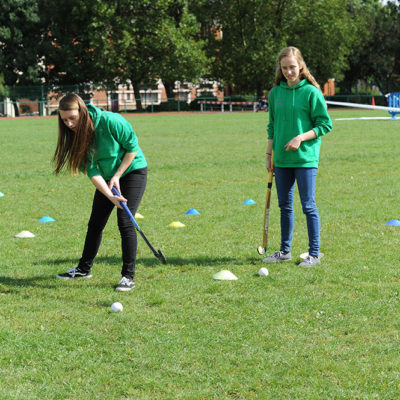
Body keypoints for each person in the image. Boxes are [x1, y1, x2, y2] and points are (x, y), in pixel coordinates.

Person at [53, 93, 147, 291]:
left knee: (124, 222)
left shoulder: (111, 121)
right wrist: (110, 195)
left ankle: (128, 276)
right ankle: (83, 269)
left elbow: (132, 147)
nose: (69, 124)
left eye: (72, 118)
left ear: (83, 112)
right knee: (95, 223)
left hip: (131, 171)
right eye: (64, 120)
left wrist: (118, 175)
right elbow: (92, 171)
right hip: (105, 176)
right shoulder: (75, 136)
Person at [263, 46, 332, 267]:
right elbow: (272, 126)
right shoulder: (275, 93)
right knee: (285, 206)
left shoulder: (311, 92)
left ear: (300, 66)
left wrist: (300, 138)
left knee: (308, 205)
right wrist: (268, 154)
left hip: (305, 159)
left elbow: (325, 124)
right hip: (282, 160)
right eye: (284, 68)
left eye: (292, 67)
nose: (289, 72)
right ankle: (284, 251)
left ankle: (314, 253)